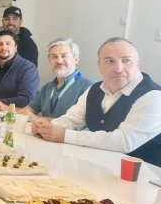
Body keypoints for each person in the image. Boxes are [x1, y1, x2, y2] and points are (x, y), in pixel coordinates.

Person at [32, 37, 161, 166]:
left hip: (148, 174)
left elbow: (123, 142)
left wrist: (65, 135)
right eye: (110, 61)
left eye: (126, 60)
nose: (118, 68)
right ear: (99, 65)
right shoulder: (94, 89)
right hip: (103, 167)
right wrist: (46, 128)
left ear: (137, 63)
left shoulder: (153, 96)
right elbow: (72, 119)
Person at [4, 37, 94, 120]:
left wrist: (37, 119)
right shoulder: (47, 88)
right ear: (49, 61)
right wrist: (4, 108)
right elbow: (27, 111)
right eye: (54, 57)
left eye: (64, 56)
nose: (59, 61)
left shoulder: (89, 87)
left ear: (76, 59)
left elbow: (76, 124)